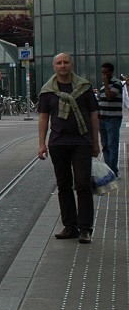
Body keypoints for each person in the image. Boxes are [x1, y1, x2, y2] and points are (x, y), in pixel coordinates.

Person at [37, 52, 100, 244]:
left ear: (71, 65)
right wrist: (41, 144)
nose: (62, 66)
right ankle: (70, 226)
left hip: (82, 142)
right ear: (54, 67)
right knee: (63, 186)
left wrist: (95, 143)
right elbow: (43, 117)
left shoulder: (84, 87)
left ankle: (85, 229)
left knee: (82, 185)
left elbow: (93, 115)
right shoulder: (47, 91)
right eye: (59, 63)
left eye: (65, 62)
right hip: (58, 143)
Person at [97, 62, 123, 177]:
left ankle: (113, 171)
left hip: (113, 119)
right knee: (105, 145)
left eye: (106, 72)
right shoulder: (103, 86)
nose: (103, 75)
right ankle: (109, 170)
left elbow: (109, 97)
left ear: (111, 72)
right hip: (102, 119)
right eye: (102, 72)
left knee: (112, 145)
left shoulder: (116, 83)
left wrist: (107, 84)